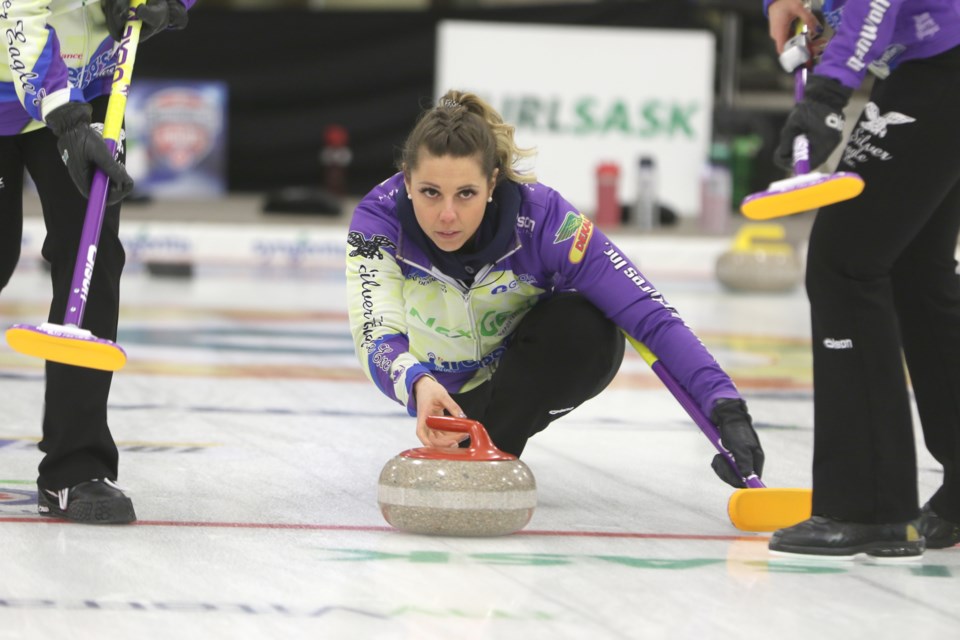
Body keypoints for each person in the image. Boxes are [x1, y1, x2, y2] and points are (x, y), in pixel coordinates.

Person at [346, 90, 764, 493]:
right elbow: (375, 331)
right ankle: (480, 442)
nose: (447, 215)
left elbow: (647, 314)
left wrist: (725, 406)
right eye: (430, 192)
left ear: (492, 183)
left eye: (467, 193)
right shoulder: (377, 222)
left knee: (585, 325)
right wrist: (416, 383)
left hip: (521, 379)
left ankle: (494, 450)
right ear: (407, 179)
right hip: (442, 392)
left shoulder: (546, 221)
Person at [763, 0, 960, 557]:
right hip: (934, 62)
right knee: (914, 272)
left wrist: (828, 94)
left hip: (938, 65)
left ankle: (869, 506)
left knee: (845, 264)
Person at [0, 0, 192, 524]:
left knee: (94, 253)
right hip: (23, 72)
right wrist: (64, 113)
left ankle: (75, 467)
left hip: (91, 85)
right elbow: (18, 16)